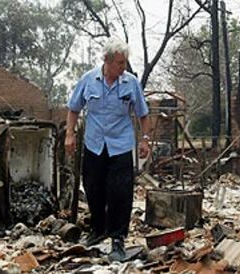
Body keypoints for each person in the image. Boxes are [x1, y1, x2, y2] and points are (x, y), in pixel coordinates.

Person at [65, 37, 150, 261]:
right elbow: (74, 108)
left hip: (121, 144)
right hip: (94, 144)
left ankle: (118, 239)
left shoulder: (130, 82)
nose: (123, 67)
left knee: (120, 192)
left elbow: (142, 113)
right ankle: (98, 229)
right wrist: (69, 134)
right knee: (92, 187)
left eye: (125, 63)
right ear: (107, 61)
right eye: (120, 63)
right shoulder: (88, 80)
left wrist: (145, 139)